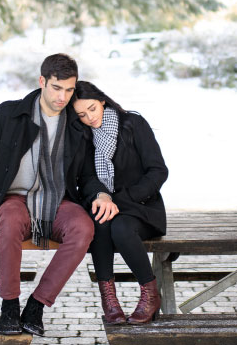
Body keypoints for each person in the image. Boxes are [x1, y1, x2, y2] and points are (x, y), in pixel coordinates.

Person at [0, 53, 95, 337]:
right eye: (56, 87)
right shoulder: (10, 114)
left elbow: (87, 174)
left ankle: (36, 305)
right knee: (11, 220)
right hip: (15, 198)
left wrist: (99, 194)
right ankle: (10, 306)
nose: (62, 97)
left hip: (58, 199)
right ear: (42, 81)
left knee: (83, 227)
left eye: (69, 89)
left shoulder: (76, 125)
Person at [72, 80, 169, 325]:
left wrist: (122, 200)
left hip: (142, 207)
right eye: (82, 114)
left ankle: (150, 294)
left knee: (120, 227)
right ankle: (109, 300)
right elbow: (86, 178)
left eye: (92, 109)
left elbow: (158, 171)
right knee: (101, 223)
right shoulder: (84, 136)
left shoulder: (133, 124)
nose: (89, 118)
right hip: (107, 206)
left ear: (102, 100)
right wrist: (101, 196)